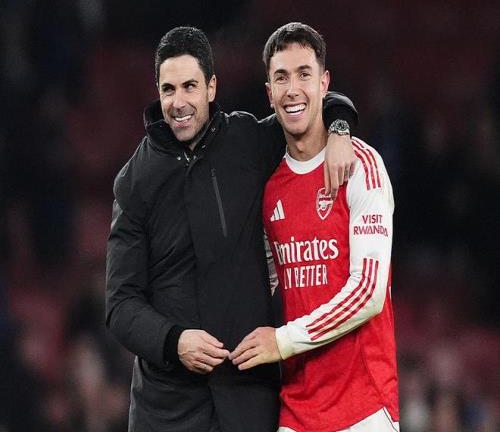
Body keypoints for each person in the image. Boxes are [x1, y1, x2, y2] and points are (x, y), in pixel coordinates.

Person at [105, 26, 358, 432]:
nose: (179, 102)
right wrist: (174, 341)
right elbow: (120, 305)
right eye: (168, 89)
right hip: (166, 410)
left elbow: (302, 106)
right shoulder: (134, 182)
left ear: (211, 87)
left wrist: (341, 128)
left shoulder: (247, 140)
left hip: (247, 400)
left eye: (190, 86)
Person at [230, 23, 399, 431]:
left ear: (324, 83)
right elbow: (265, 283)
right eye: (281, 77)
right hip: (297, 409)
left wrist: (281, 341)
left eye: (304, 74)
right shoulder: (269, 189)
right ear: (268, 92)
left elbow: (368, 293)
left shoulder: (360, 165)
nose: (293, 89)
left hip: (364, 408)